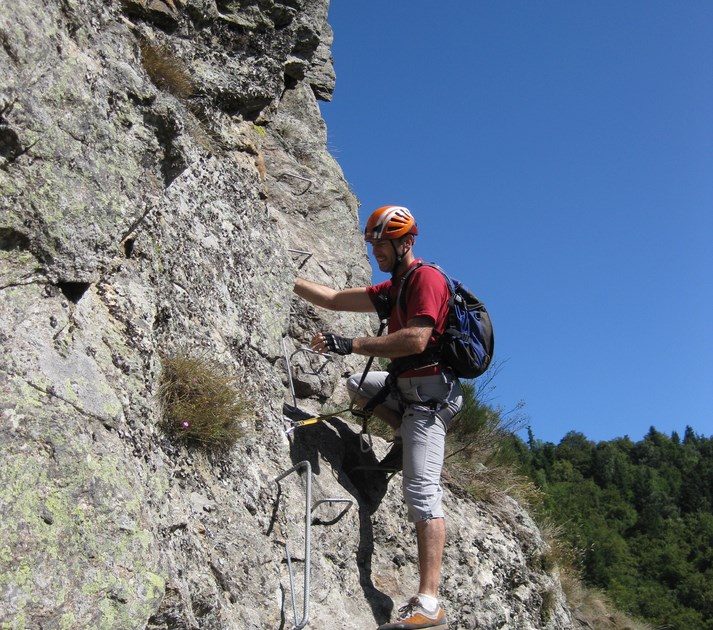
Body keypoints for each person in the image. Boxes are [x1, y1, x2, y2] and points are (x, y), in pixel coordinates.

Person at [293, 205, 462, 630]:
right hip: (406, 393)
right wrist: (283, 278)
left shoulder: (426, 279)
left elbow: (417, 338)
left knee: (421, 491)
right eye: (372, 245)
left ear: (404, 242)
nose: (375, 252)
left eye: (381, 245)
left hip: (429, 400)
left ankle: (430, 603)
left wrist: (350, 343)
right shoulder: (393, 288)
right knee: (355, 385)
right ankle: (404, 436)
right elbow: (332, 298)